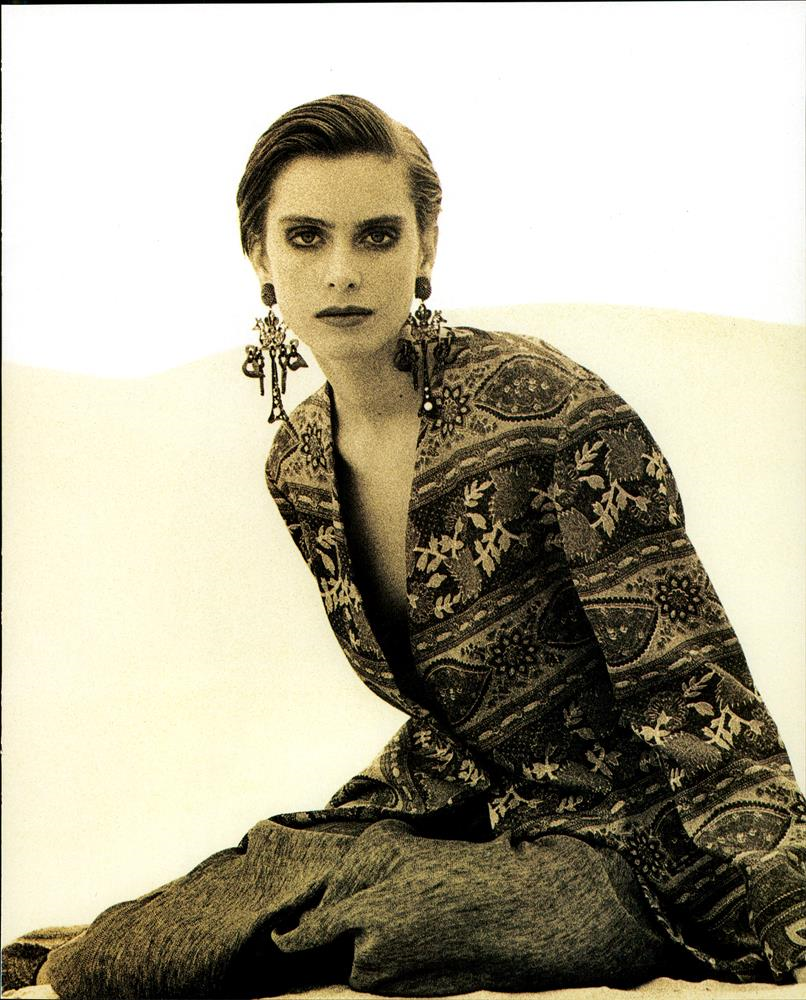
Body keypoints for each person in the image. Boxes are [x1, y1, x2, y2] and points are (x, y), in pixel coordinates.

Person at [6, 94, 805, 998]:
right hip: (453, 802)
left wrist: (779, 894)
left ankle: (330, 906)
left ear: (425, 248)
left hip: (626, 837)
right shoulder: (299, 462)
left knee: (410, 920)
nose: (342, 272)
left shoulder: (549, 408)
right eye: (306, 238)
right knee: (137, 948)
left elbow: (693, 682)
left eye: (378, 236)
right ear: (260, 257)